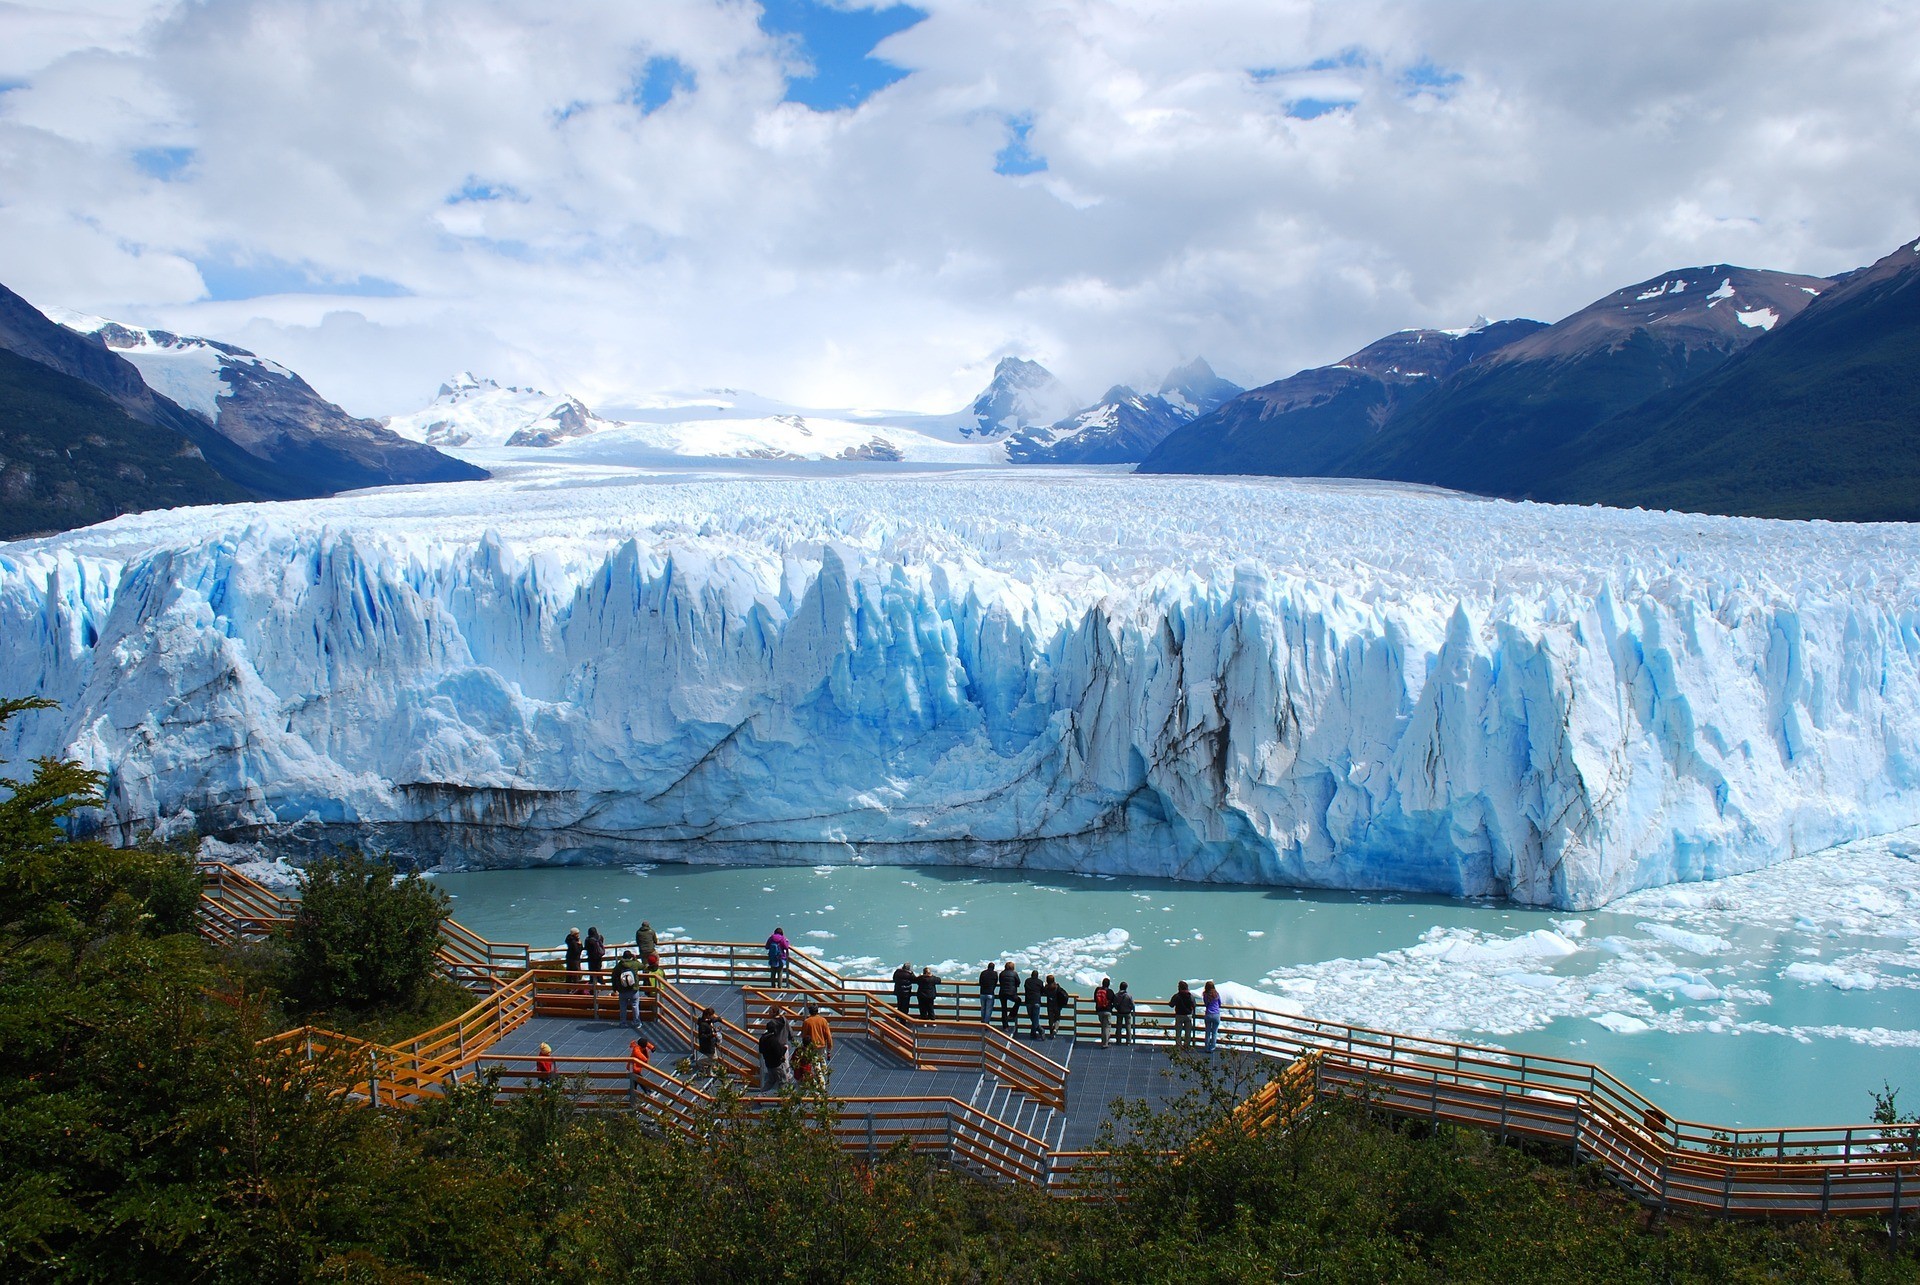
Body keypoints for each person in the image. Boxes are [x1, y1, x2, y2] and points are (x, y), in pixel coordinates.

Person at [799, 1003, 834, 1083]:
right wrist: (829, 1048)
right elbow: (828, 1035)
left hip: (812, 1046)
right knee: (821, 1059)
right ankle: (824, 1073)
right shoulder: (823, 1020)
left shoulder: (807, 1022)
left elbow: (804, 1035)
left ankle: (821, 1084)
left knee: (816, 1066)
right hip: (821, 1045)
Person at [758, 1014, 791, 1091]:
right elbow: (779, 1053)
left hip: (768, 1064)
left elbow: (761, 1050)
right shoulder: (773, 1040)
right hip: (777, 1065)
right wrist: (785, 1049)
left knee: (771, 1081)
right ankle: (781, 1100)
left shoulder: (762, 1038)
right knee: (783, 1081)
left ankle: (761, 1096)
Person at [611, 950, 643, 1025]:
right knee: (635, 1005)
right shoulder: (634, 964)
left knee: (623, 1007)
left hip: (622, 990)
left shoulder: (619, 965)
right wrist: (635, 959)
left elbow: (613, 976)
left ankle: (623, 1022)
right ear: (631, 957)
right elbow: (643, 966)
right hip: (633, 989)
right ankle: (637, 1022)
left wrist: (614, 988)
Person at [628, 1036, 655, 1105]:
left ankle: (632, 1098)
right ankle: (648, 1092)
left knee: (634, 1084)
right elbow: (642, 1057)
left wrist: (652, 1047)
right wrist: (645, 1061)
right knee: (641, 1081)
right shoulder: (636, 1050)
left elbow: (647, 1044)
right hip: (634, 1068)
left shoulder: (641, 1045)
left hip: (636, 1068)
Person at [1171, 980, 1196, 1050]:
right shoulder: (1190, 996)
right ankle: (1187, 1046)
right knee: (1188, 1032)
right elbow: (1194, 1005)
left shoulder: (1177, 996)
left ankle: (1178, 1046)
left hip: (1179, 1015)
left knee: (1178, 1032)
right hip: (1188, 1016)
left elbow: (1171, 1004)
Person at [997, 962, 1020, 1033]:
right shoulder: (1014, 974)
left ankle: (1005, 1026)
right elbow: (1018, 982)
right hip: (1011, 993)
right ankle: (1012, 1014)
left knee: (1004, 1009)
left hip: (1002, 993)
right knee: (1018, 1001)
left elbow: (1000, 982)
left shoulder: (1002, 973)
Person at [1093, 977, 1115, 1047]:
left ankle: (1104, 1041)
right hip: (1107, 1011)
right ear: (1108, 985)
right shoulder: (1110, 991)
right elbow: (1114, 1000)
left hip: (1099, 1011)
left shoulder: (1097, 990)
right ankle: (1105, 1044)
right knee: (1106, 1027)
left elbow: (1095, 999)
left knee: (1103, 1027)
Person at [697, 1006, 721, 1070]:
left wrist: (719, 1019)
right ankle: (700, 1062)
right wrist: (711, 1035)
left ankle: (709, 1072)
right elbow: (701, 1036)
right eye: (711, 1015)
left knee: (714, 1058)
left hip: (712, 1043)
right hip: (707, 1045)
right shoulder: (702, 1025)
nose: (713, 1016)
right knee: (713, 1059)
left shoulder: (708, 1021)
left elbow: (712, 1020)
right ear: (707, 1015)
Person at [1202, 981, 1223, 1053]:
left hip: (1208, 1014)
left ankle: (1206, 1048)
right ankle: (1212, 1048)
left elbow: (1206, 1004)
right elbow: (1220, 1003)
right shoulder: (1216, 994)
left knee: (1207, 1032)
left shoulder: (1205, 995)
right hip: (1216, 1014)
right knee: (1214, 1032)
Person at [1023, 969, 1044, 1039]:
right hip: (1036, 1001)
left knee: (1031, 1017)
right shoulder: (1040, 982)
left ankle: (1034, 1033)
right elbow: (1042, 991)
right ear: (1037, 976)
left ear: (1031, 975)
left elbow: (1025, 988)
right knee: (1035, 1018)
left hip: (1028, 1000)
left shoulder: (1027, 981)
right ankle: (1039, 1030)